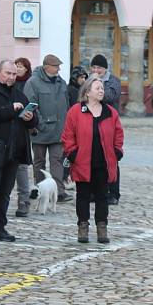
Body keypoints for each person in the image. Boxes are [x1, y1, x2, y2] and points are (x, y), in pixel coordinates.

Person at [0, 60, 37, 242]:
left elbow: (35, 123)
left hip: (14, 150)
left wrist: (30, 117)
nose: (12, 77)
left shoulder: (19, 94)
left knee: (5, 191)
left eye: (14, 74)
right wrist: (10, 110)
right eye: (8, 73)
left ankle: (0, 227)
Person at [61, 75, 124, 244]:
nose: (101, 91)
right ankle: (83, 226)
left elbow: (119, 133)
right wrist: (72, 153)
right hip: (82, 162)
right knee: (83, 196)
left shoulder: (110, 112)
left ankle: (102, 227)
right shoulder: (76, 111)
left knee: (102, 196)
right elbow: (68, 135)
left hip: (103, 162)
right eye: (98, 88)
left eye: (102, 88)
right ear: (87, 92)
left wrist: (117, 152)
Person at [24, 54, 72, 203]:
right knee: (39, 162)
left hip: (58, 130)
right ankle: (41, 191)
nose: (58, 68)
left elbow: (67, 105)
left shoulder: (61, 82)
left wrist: (67, 125)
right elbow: (31, 106)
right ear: (46, 67)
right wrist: (41, 124)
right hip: (40, 130)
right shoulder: (33, 82)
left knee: (57, 160)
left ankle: (59, 192)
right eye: (56, 66)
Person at [89, 54, 122, 204]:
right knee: (93, 158)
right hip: (91, 122)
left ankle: (113, 193)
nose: (96, 70)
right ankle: (94, 192)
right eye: (94, 67)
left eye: (99, 68)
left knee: (111, 158)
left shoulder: (113, 81)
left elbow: (109, 96)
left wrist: (96, 84)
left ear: (105, 69)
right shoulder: (89, 80)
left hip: (109, 123)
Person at [13, 57, 33, 217]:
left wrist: (31, 118)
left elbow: (34, 114)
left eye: (20, 67)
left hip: (21, 135)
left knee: (21, 170)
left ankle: (24, 201)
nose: (16, 71)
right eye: (15, 67)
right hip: (4, 137)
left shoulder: (28, 85)